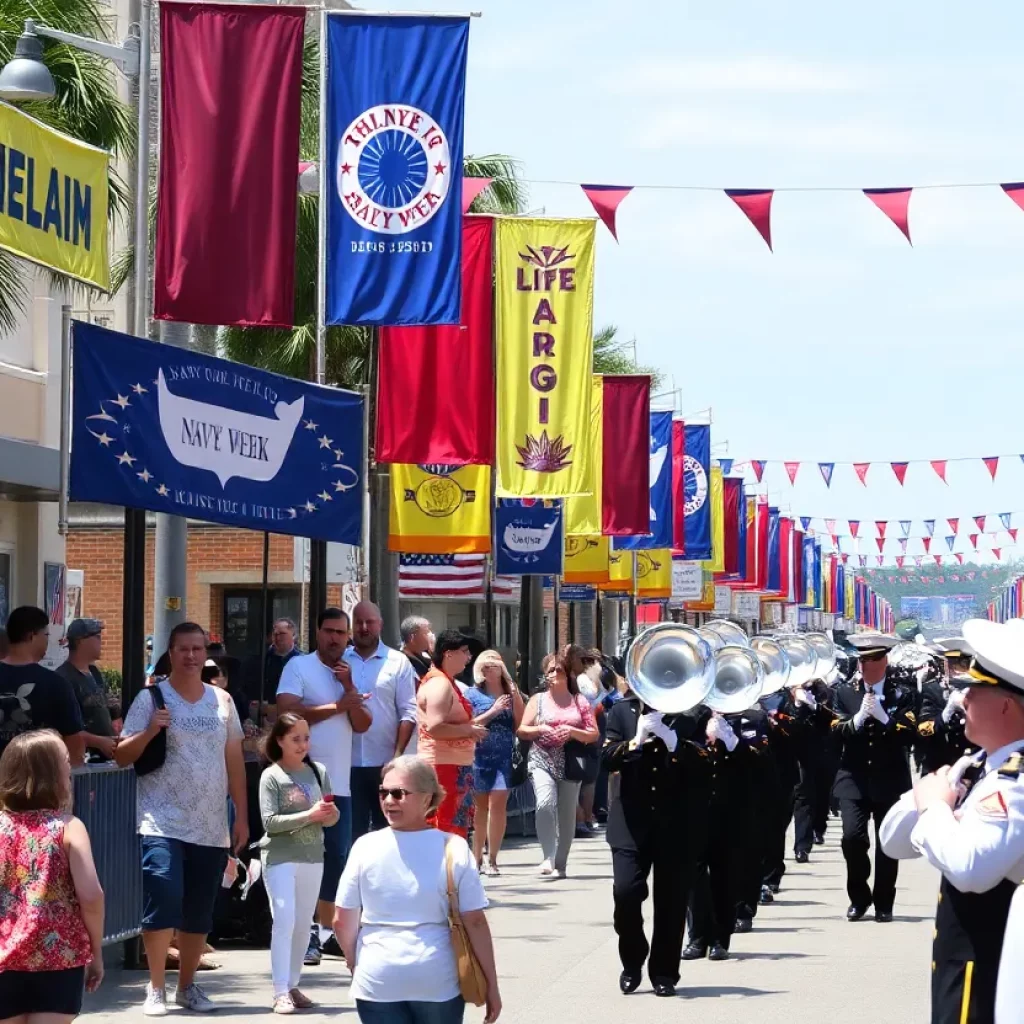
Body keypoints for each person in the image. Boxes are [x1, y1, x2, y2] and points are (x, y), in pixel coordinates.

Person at [879, 619, 1024, 1024]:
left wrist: (936, 810)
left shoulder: (1016, 781)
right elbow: (892, 841)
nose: (962, 702)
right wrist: (930, 804)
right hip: (963, 959)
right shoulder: (978, 765)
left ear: (1006, 704)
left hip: (988, 966)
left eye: (973, 692)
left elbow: (972, 869)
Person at [116, 622, 249, 1016]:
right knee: (164, 896)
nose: (191, 656)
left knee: (199, 909)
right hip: (161, 819)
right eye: (183, 649)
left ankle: (187, 986)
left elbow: (234, 761)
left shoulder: (222, 701)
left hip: (210, 823)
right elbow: (123, 755)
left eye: (197, 649)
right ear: (170, 653)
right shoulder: (151, 698)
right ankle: (155, 987)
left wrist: (240, 815)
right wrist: (150, 731)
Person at [334, 755, 501, 1024]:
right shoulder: (454, 847)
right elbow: (475, 922)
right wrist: (492, 985)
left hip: (377, 976)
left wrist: (355, 961)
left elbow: (342, 919)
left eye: (399, 793)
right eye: (383, 792)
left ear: (427, 798)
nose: (389, 800)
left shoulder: (364, 846)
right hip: (436, 978)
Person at [276, 607, 371, 966]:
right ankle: (307, 933)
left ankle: (327, 931)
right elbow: (285, 711)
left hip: (339, 783)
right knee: (306, 857)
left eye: (341, 633)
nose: (335, 638)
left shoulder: (349, 673)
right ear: (317, 633)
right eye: (329, 631)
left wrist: (348, 689)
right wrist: (335, 706)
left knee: (337, 858)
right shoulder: (299, 667)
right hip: (301, 780)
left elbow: (361, 723)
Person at [603, 692, 709, 998]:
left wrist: (673, 741)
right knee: (625, 892)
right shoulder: (622, 712)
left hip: (675, 821)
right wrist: (635, 740)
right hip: (630, 822)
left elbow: (706, 763)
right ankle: (632, 960)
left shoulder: (692, 714)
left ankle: (664, 971)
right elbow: (606, 757)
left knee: (671, 901)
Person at [0, 730, 105, 1022]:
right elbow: (92, 896)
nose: (72, 764)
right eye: (64, 761)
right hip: (59, 959)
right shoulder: (69, 827)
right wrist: (95, 953)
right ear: (52, 774)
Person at [258, 712, 340, 1015]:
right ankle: (279, 990)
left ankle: (292, 984)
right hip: (279, 857)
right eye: (296, 738)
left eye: (306, 737)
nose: (303, 744)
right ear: (279, 740)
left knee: (304, 924)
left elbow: (332, 815)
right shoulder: (271, 776)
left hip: (312, 856)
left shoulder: (318, 772)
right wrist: (310, 815)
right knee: (285, 920)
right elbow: (269, 822)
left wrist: (329, 815)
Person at [832, 633, 917, 922]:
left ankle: (884, 902)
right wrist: (855, 721)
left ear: (884, 661)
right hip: (853, 777)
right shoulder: (845, 692)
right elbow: (834, 730)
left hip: (890, 778)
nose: (866, 666)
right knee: (852, 838)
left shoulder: (901, 693)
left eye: (872, 660)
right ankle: (859, 896)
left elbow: (910, 735)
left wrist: (885, 719)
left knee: (887, 842)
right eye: (863, 660)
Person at [517, 652, 599, 880]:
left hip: (570, 761)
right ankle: (548, 855)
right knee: (544, 803)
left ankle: (560, 864)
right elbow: (522, 730)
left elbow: (593, 734)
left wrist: (572, 732)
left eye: (559, 670)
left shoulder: (579, 701)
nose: (554, 674)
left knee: (566, 815)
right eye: (550, 671)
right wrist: (539, 730)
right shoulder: (538, 700)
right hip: (542, 757)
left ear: (568, 674)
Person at [345, 601, 419, 841]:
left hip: (384, 764)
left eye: (370, 622)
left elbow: (409, 711)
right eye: (359, 622)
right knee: (351, 835)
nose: (364, 627)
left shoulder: (397, 662)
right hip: (347, 763)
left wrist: (397, 756)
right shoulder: (339, 661)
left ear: (380, 625)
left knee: (387, 832)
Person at [416, 630, 487, 838]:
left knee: (454, 828)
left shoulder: (446, 681)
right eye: (464, 652)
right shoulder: (439, 684)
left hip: (452, 766)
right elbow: (435, 727)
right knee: (445, 829)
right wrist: (469, 730)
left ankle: (451, 869)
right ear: (448, 653)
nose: (469, 657)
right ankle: (444, 870)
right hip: (443, 768)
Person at [465, 650, 524, 874]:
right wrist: (494, 710)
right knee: (479, 809)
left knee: (497, 807)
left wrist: (514, 692)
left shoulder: (510, 693)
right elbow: (470, 723)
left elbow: (521, 721)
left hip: (504, 756)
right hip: (479, 755)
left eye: (495, 666)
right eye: (486, 667)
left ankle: (493, 859)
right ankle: (476, 857)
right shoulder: (472, 694)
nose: (490, 670)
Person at [0, 605, 84, 764]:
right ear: (32, 636)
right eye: (46, 635)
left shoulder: (57, 683)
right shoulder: (56, 684)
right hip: (40, 783)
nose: (47, 641)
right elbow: (75, 744)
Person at [56, 618, 116, 762]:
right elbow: (66, 729)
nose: (101, 642)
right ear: (80, 641)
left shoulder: (95, 672)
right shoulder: (63, 678)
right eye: (97, 637)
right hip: (81, 762)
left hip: (104, 761)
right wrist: (100, 742)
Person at [243, 618, 302, 710]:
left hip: (291, 712)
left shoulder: (301, 661)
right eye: (275, 634)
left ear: (293, 635)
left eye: (282, 634)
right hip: (263, 714)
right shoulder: (261, 660)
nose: (278, 638)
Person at [401, 616, 434, 682]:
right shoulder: (404, 662)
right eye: (426, 633)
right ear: (412, 638)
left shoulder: (426, 654)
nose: (431, 635)